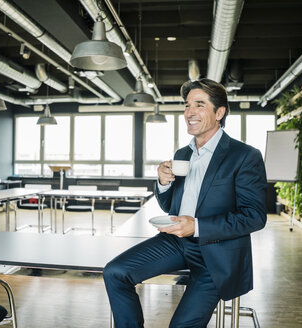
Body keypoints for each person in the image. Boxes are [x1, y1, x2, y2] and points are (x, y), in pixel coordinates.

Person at [103, 78, 267, 328]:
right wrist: (163, 182)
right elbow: (170, 207)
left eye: (199, 105)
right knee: (115, 272)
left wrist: (197, 226)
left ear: (219, 112)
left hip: (218, 253)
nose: (189, 112)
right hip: (176, 243)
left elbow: (254, 216)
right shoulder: (182, 155)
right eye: (187, 105)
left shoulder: (245, 156)